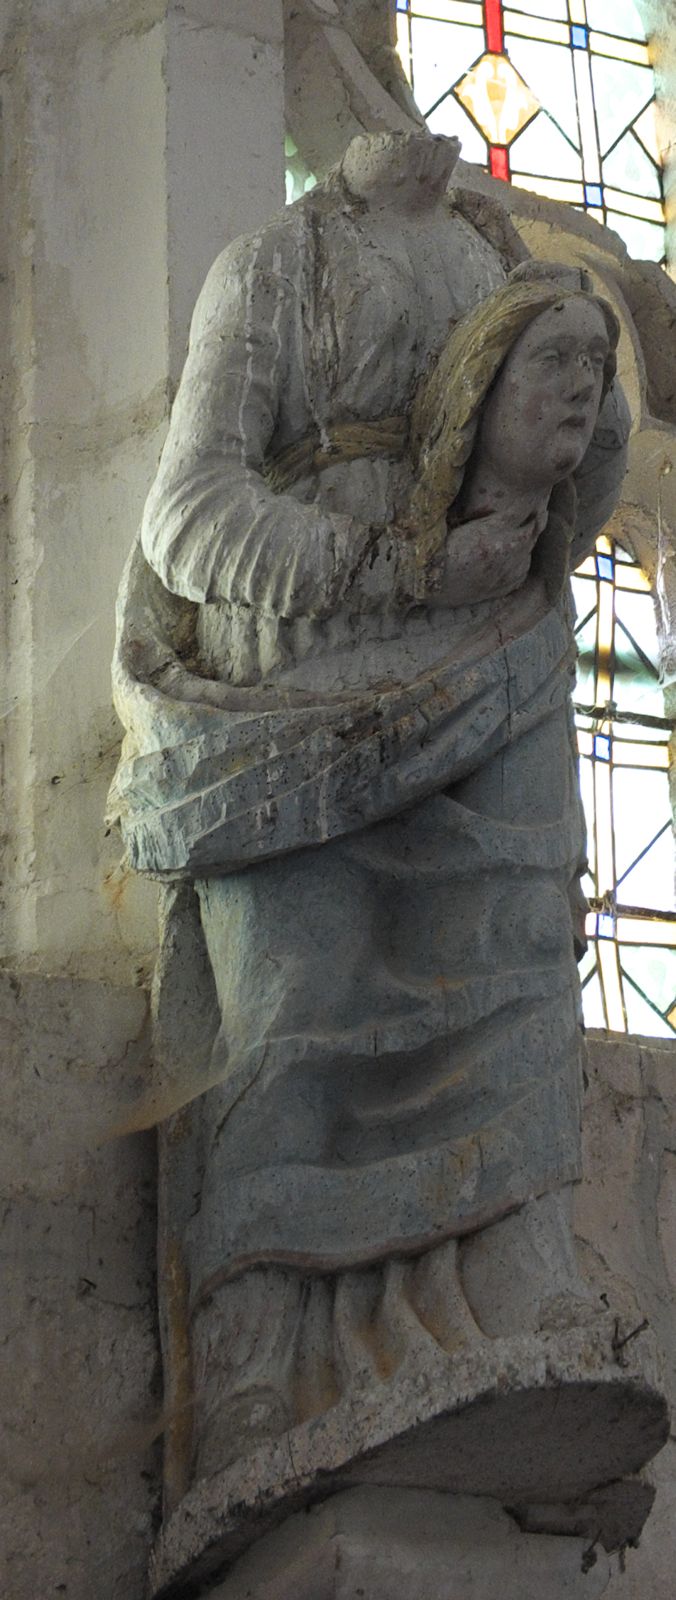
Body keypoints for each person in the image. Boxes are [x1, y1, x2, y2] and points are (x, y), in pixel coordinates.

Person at [109, 131, 629, 1500]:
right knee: (297, 1024)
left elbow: (574, 453)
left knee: (517, 978)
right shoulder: (271, 267)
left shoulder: (499, 260)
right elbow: (189, 510)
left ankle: (526, 1295)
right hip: (302, 700)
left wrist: (579, 405)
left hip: (494, 669)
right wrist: (387, 565)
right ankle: (256, 1386)